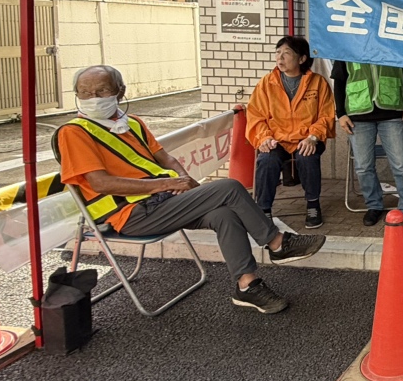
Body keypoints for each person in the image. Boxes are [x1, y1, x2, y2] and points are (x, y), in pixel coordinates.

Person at [55, 65, 324, 315]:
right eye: (85, 92)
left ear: (119, 92)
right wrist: (168, 183)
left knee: (223, 215)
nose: (93, 98)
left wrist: (185, 183)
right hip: (130, 213)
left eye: (101, 91)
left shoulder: (131, 123)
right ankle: (277, 243)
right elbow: (100, 183)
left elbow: (166, 159)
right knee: (229, 187)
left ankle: (247, 286)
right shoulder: (74, 132)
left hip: (162, 202)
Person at [246, 36, 335, 229]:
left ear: (302, 59)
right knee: (266, 160)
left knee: (307, 157)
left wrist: (313, 137)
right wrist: (265, 137)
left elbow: (326, 116)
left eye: (286, 53)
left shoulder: (318, 83)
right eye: (278, 53)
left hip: (308, 138)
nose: (280, 58)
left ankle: (313, 204)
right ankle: (264, 210)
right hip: (277, 140)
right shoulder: (266, 84)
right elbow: (255, 115)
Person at [331, 61, 403, 226]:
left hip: (392, 110)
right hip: (358, 113)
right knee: (363, 166)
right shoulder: (346, 43)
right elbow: (339, 80)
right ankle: (374, 205)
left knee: (401, 164)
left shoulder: (390, 39)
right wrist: (340, 114)